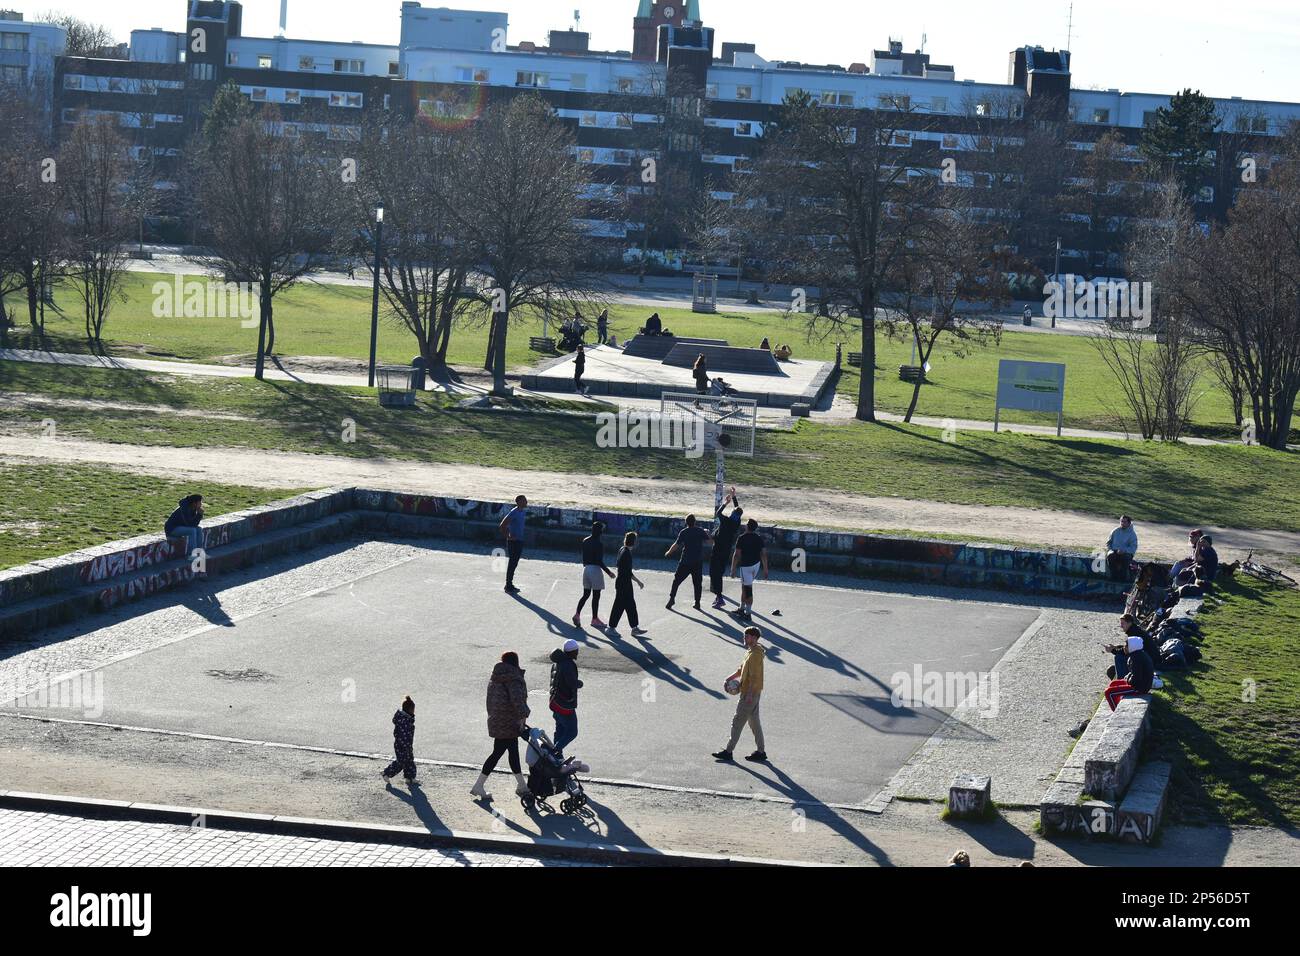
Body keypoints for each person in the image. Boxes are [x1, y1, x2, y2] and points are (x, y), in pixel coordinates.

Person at [471, 652, 531, 800]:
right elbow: (517, 700)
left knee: (508, 752)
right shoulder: (513, 678)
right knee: (500, 753)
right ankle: (479, 786)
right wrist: (523, 716)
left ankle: (521, 785)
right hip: (509, 722)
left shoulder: (496, 677)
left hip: (498, 720)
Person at [712, 626, 767, 763]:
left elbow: (754, 676)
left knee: (737, 722)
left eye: (746, 636)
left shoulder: (755, 655)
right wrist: (728, 679)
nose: (744, 638)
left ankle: (728, 751)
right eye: (744, 636)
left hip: (749, 693)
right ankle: (761, 752)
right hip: (753, 693)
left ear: (754, 638)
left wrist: (748, 694)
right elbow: (741, 670)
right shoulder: (751, 652)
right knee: (754, 722)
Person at [666, 513, 711, 611]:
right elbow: (710, 542)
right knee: (697, 583)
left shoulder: (684, 532)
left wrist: (669, 552)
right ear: (695, 522)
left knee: (676, 581)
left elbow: (676, 544)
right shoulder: (700, 531)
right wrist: (707, 533)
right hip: (697, 561)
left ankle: (672, 598)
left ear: (686, 523)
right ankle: (697, 602)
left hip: (685, 561)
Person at [573, 520, 614, 628]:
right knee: (596, 596)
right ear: (600, 532)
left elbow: (584, 557)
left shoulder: (585, 540)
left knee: (585, 595)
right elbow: (599, 561)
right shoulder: (599, 544)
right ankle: (594, 619)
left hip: (586, 569)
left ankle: (577, 614)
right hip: (595, 570)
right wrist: (609, 572)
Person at [607, 531, 647, 636]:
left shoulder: (622, 549)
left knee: (630, 606)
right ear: (634, 542)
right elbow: (628, 572)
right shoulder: (627, 554)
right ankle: (611, 628)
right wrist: (639, 582)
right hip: (624, 584)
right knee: (619, 606)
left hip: (622, 583)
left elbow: (619, 566)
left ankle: (634, 628)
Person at [709, 487, 744, 609]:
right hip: (726, 550)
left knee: (714, 573)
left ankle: (719, 597)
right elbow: (737, 510)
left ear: (733, 514)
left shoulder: (726, 521)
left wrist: (725, 503)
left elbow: (718, 513)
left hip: (718, 549)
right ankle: (718, 596)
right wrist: (734, 497)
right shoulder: (736, 523)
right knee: (719, 572)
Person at [730, 517, 769, 622]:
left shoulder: (741, 538)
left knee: (748, 589)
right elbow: (763, 554)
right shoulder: (758, 538)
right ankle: (742, 608)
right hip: (756, 565)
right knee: (745, 587)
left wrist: (733, 569)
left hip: (746, 567)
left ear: (747, 526)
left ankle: (748, 613)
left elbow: (737, 554)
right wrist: (765, 569)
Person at [549, 639, 583, 754]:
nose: (577, 653)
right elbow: (571, 683)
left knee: (560, 730)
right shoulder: (568, 664)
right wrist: (579, 683)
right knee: (572, 732)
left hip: (555, 702)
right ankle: (555, 751)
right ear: (572, 651)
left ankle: (556, 758)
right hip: (565, 705)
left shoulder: (557, 662)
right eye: (576, 650)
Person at [1103, 635, 1154, 709]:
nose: (1124, 647)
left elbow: (1136, 679)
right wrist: (1127, 678)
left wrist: (1127, 679)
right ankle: (1119, 704)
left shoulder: (1136, 659)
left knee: (1109, 692)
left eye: (1126, 645)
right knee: (1113, 683)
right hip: (1140, 684)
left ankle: (1117, 712)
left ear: (1132, 647)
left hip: (1139, 688)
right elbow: (1134, 674)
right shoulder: (1137, 654)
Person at [380, 695, 418, 785]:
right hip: (401, 745)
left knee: (409, 760)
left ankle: (410, 778)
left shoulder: (407, 719)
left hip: (407, 744)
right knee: (401, 762)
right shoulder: (404, 721)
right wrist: (405, 746)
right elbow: (401, 735)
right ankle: (386, 773)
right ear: (409, 709)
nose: (414, 711)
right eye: (413, 709)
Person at [498, 494, 528, 594]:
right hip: (513, 542)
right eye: (524, 500)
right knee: (512, 563)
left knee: (514, 563)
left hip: (519, 541)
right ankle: (508, 585)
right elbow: (502, 525)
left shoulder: (522, 512)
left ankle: (509, 584)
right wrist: (509, 536)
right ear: (519, 502)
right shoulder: (514, 512)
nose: (526, 502)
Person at [164, 494, 205, 564]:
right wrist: (199, 515)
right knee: (192, 531)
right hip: (172, 529)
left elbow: (194, 524)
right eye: (199, 503)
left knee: (199, 529)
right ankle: (191, 555)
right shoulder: (184, 509)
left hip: (181, 527)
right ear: (194, 503)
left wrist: (199, 515)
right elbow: (189, 524)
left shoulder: (193, 508)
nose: (201, 504)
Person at [1105, 515, 1138, 580]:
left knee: (1125, 558)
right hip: (1114, 551)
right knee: (1110, 556)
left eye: (1124, 522)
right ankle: (1113, 577)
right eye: (1121, 521)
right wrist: (1110, 550)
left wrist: (1124, 551)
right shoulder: (1115, 531)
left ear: (1129, 523)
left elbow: (1133, 548)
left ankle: (1123, 578)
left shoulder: (1132, 534)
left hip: (1126, 553)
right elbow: (1108, 543)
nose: (1122, 523)